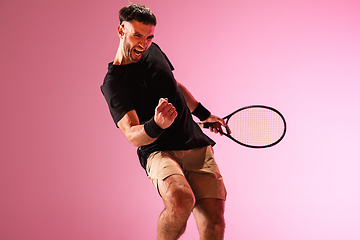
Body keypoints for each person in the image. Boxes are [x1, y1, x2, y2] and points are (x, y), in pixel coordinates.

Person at [101, 4, 227, 240]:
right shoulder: (114, 83)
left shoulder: (153, 50)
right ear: (121, 30)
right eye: (137, 35)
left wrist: (204, 114)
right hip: (159, 151)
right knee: (181, 201)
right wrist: (157, 124)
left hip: (195, 144)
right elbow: (132, 134)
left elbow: (174, 85)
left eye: (149, 37)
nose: (143, 43)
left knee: (215, 223)